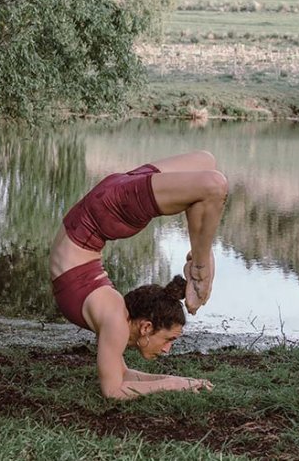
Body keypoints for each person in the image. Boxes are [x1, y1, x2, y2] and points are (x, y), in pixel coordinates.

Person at [48, 150, 227, 399]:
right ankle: (200, 265)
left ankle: (201, 253)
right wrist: (173, 385)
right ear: (146, 327)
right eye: (169, 339)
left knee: (207, 162)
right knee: (214, 184)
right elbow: (113, 391)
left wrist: (176, 381)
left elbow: (122, 376)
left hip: (105, 204)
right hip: (106, 210)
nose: (167, 349)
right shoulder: (115, 322)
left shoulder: (115, 321)